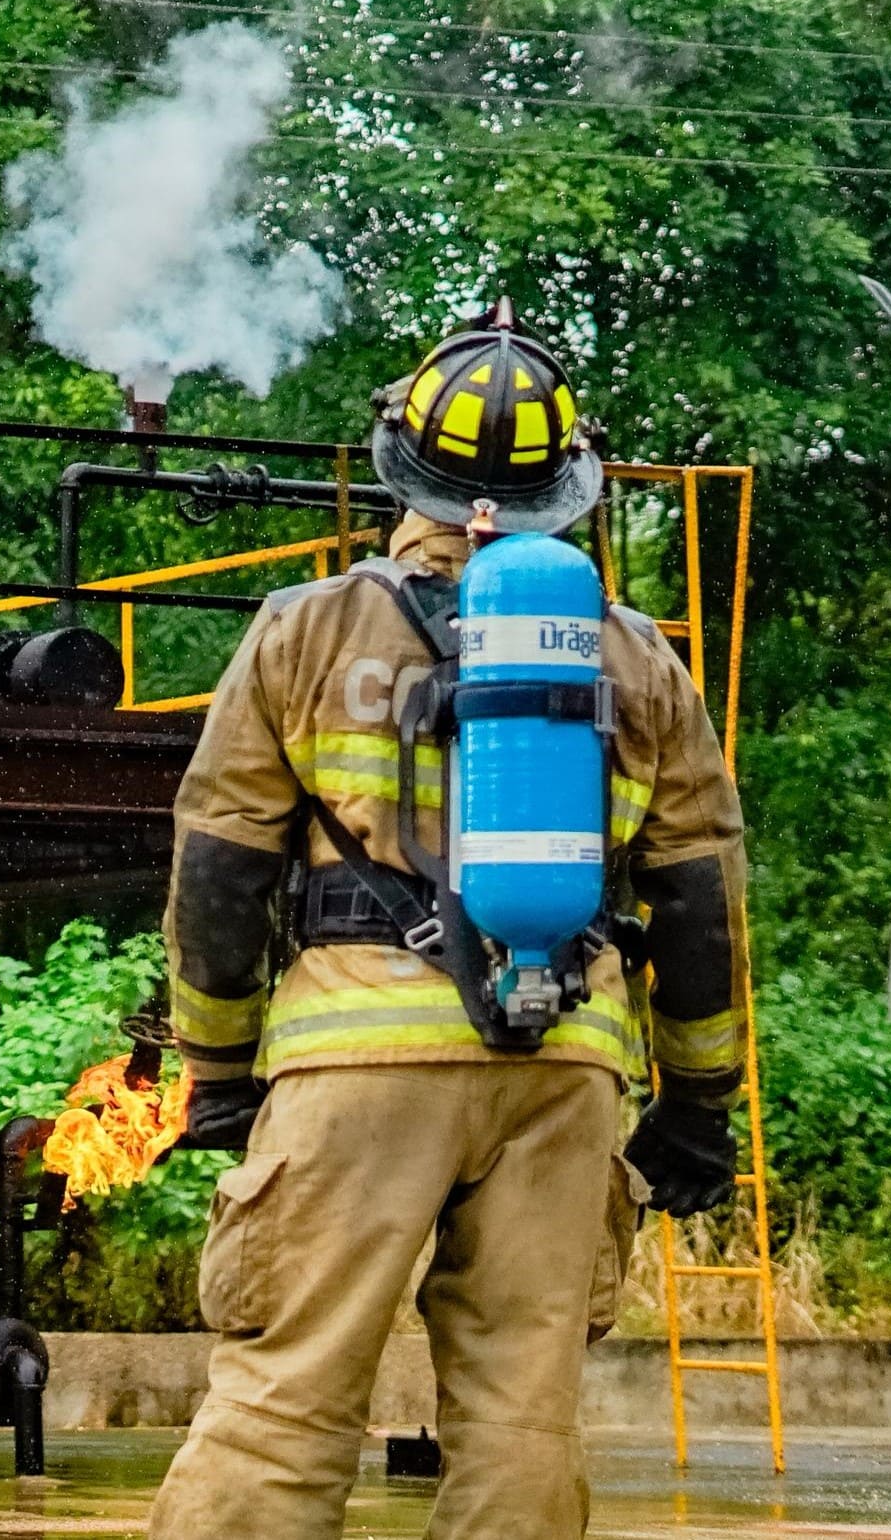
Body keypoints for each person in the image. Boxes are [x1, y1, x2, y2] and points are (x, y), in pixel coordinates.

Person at [145, 309, 748, 1540]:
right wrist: (695, 1103)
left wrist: (212, 1071)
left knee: (284, 1398)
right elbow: (695, 902)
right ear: (564, 492)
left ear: (399, 471)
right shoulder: (641, 664)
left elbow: (218, 871)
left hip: (356, 1061)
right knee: (522, 1418)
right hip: (565, 1067)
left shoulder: (301, 631)